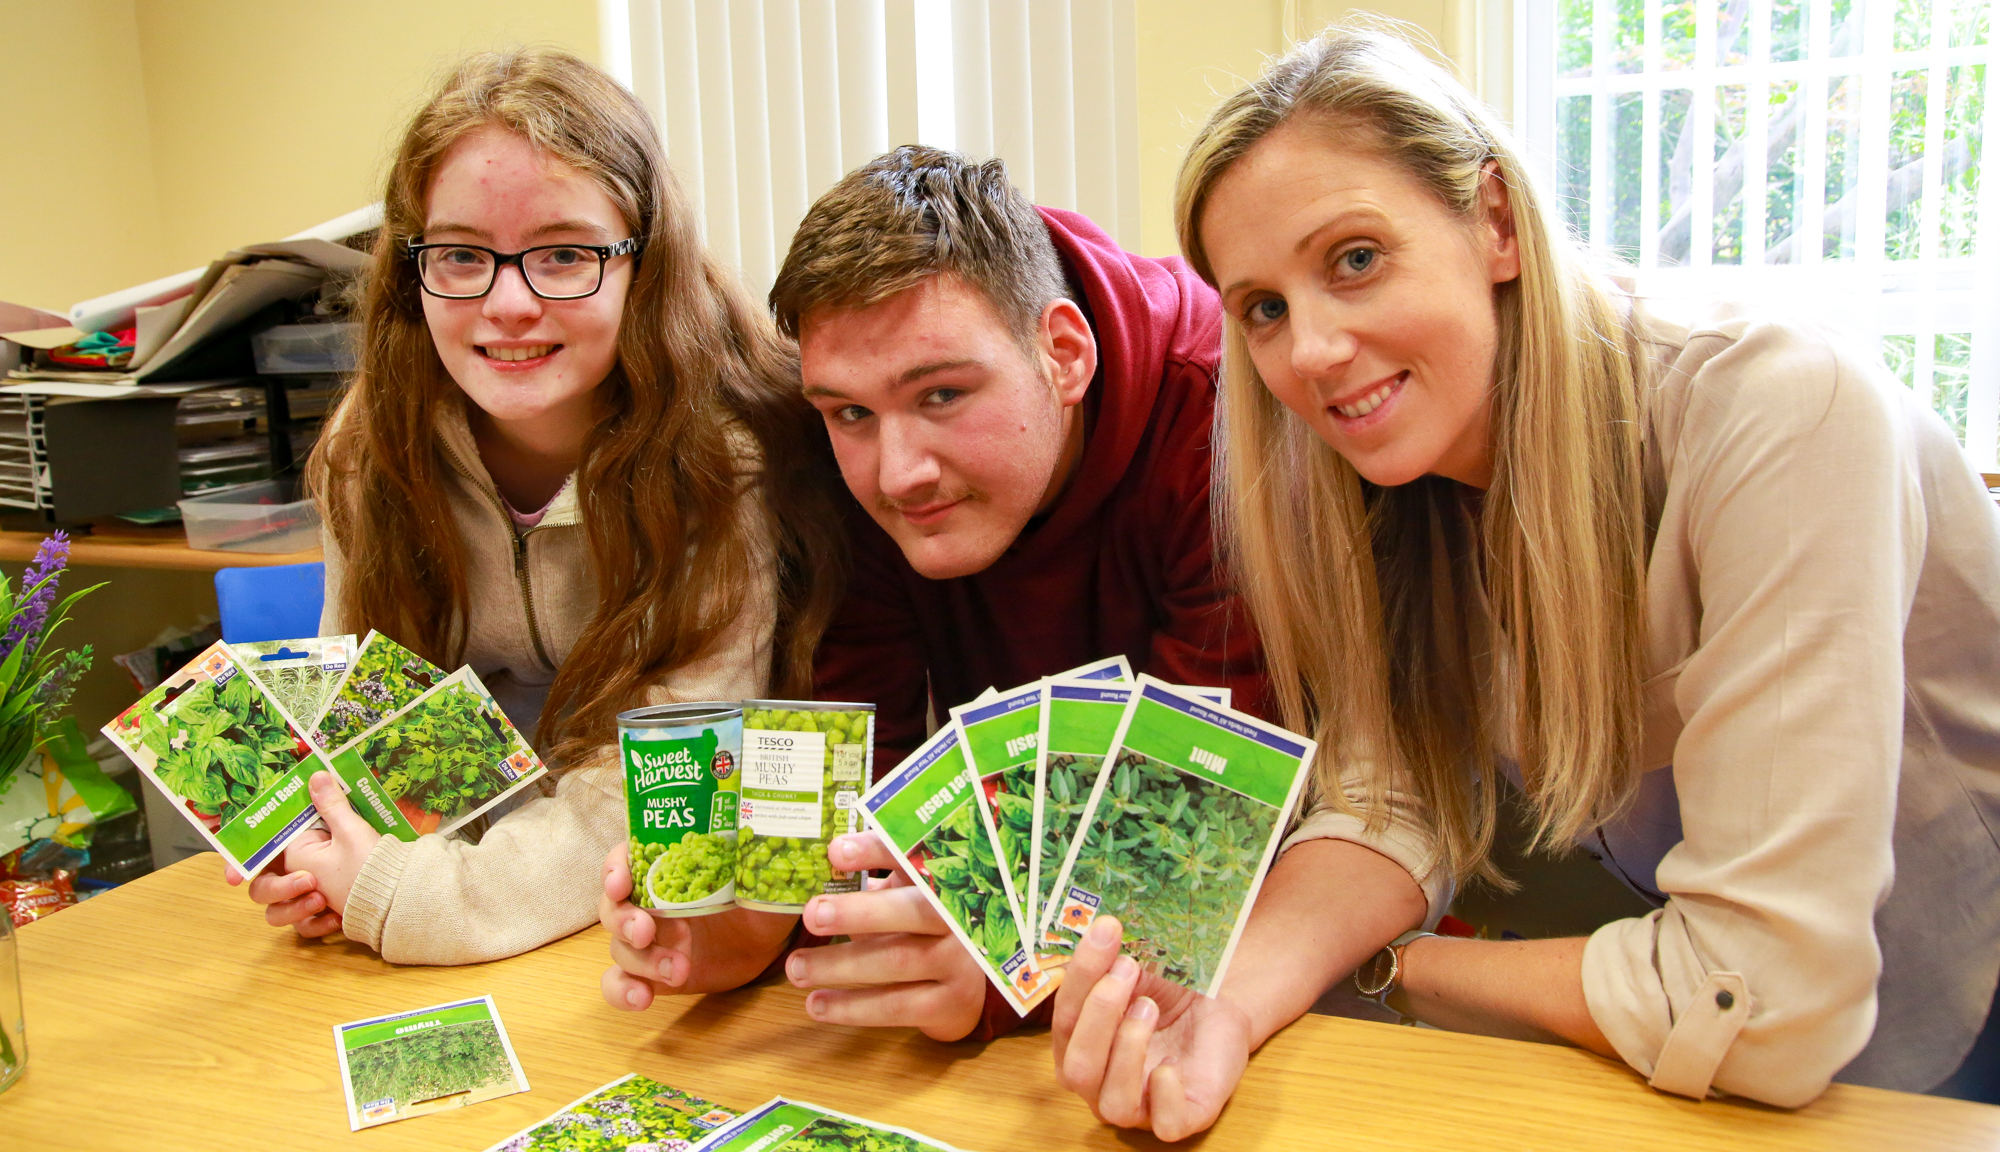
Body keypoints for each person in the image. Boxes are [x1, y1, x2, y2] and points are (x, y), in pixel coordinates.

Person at [1052, 27, 2000, 1139]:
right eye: (1261, 307)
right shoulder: (1371, 472)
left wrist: (1391, 973)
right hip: (1699, 1067)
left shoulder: (1780, 411)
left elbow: (1762, 1002)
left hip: (1937, 1030)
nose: (1307, 350)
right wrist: (1219, 999)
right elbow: (1387, 798)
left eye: (1353, 259)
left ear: (1495, 222)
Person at [597, 147, 1266, 1041]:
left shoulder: (1229, 419)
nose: (898, 473)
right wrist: (741, 926)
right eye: (850, 413)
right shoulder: (844, 461)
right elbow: (857, 780)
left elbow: (1209, 812)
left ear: (1063, 354)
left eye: (943, 394)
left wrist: (999, 976)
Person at [227, 48, 844, 964]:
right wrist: (319, 847)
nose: (508, 303)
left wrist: (413, 896)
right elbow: (352, 722)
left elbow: (669, 788)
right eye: (463, 255)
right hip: (502, 895)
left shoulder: (727, 461)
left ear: (644, 263)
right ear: (410, 270)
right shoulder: (372, 446)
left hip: (673, 917)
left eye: (564, 254)